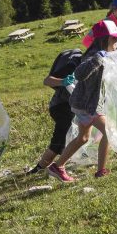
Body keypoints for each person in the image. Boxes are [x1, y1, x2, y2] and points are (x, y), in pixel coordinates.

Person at [46, 20, 117, 182]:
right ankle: (101, 171)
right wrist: (98, 59)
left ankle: (57, 167)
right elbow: (80, 74)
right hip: (88, 105)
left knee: (83, 138)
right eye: (114, 38)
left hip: (85, 103)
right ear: (104, 39)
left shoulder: (104, 55)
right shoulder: (93, 57)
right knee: (109, 132)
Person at [28, 47, 84, 175]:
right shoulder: (74, 64)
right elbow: (47, 80)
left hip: (69, 106)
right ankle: (39, 169)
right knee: (59, 140)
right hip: (61, 106)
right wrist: (63, 81)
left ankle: (49, 167)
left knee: (67, 139)